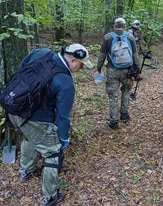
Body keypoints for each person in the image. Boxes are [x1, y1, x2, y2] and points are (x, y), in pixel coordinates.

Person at [8, 44, 93, 205]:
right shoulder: (66, 82)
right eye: (81, 65)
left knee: (30, 137)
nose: (80, 69)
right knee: (53, 153)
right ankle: (50, 196)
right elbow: (63, 116)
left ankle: (25, 172)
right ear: (73, 60)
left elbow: (22, 70)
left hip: (14, 107)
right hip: (34, 118)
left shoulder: (42, 53)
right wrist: (63, 138)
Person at [97, 18, 140, 129]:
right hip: (128, 71)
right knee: (126, 91)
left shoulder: (107, 37)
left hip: (112, 70)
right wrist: (138, 69)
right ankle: (124, 115)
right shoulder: (130, 37)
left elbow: (102, 55)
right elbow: (135, 55)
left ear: (114, 25)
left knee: (113, 96)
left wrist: (98, 68)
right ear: (125, 26)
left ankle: (114, 121)